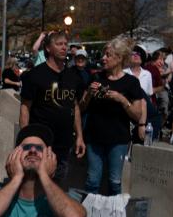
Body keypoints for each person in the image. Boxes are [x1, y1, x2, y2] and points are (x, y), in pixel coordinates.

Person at [80, 37, 145, 195]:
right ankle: (90, 216)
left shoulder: (131, 82)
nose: (103, 58)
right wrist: (88, 94)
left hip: (118, 140)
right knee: (92, 181)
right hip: (94, 138)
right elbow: (81, 107)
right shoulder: (96, 77)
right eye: (104, 54)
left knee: (114, 182)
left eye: (108, 55)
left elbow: (137, 115)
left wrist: (122, 99)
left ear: (120, 58)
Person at [19, 31, 86, 185]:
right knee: (35, 186)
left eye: (65, 44)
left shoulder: (72, 76)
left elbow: (75, 107)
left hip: (64, 144)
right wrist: (24, 139)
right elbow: (25, 108)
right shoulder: (35, 75)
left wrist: (80, 137)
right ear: (48, 48)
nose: (64, 48)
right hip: (40, 143)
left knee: (57, 187)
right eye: (59, 44)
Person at [125, 45, 156, 143]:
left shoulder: (147, 74)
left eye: (138, 54)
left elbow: (149, 96)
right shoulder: (124, 72)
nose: (135, 55)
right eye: (133, 53)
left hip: (143, 114)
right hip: (128, 112)